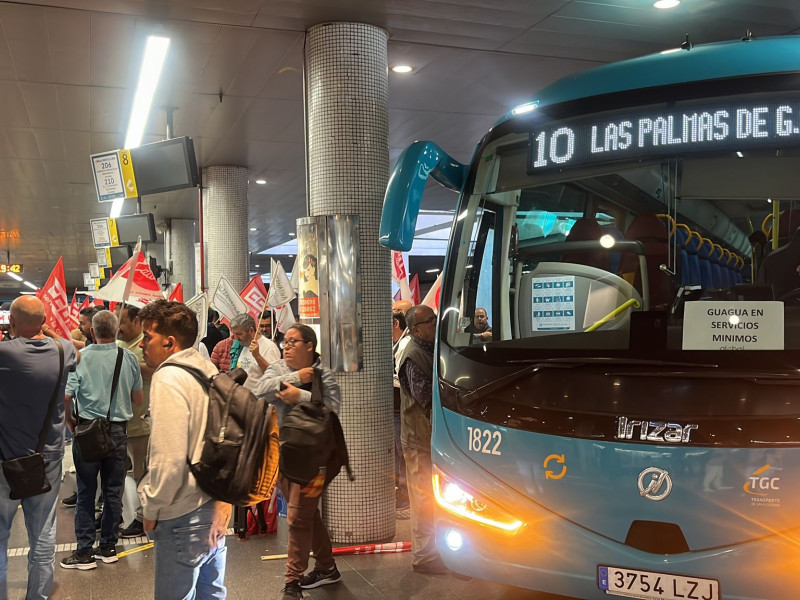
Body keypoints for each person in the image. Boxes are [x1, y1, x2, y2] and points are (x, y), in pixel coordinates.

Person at [137, 300, 231, 600]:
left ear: (169, 341)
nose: (142, 344)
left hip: (183, 512)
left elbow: (170, 460)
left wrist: (151, 508)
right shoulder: (206, 369)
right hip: (214, 504)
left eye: (148, 337)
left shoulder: (169, 377)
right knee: (211, 593)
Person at [250, 324, 341, 600]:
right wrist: (296, 377)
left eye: (293, 342)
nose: (286, 346)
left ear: (309, 346)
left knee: (298, 518)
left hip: (317, 461)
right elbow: (259, 390)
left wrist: (300, 394)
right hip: (286, 455)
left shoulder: (324, 374)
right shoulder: (279, 368)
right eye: (284, 341)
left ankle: (293, 582)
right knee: (306, 514)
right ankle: (327, 567)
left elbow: (334, 409)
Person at [0, 297, 77, 600]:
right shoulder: (64, 351)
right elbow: (68, 346)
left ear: (12, 322)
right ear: (44, 321)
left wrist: (13, 333)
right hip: (49, 457)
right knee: (43, 535)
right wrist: (47, 329)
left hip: (6, 459)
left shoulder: (4, 353)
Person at [60, 310, 143, 570]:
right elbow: (137, 399)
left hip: (86, 432)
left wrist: (70, 422)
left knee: (86, 492)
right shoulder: (127, 357)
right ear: (116, 330)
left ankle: (84, 552)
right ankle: (108, 547)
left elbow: (66, 396)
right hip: (118, 432)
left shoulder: (80, 357)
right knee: (112, 491)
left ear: (93, 332)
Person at [396, 305, 448, 574]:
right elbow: (426, 398)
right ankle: (424, 557)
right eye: (431, 320)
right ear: (416, 329)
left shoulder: (432, 348)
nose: (436, 323)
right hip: (418, 440)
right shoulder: (413, 356)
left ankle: (440, 552)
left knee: (437, 499)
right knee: (424, 499)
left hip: (431, 439)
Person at [115, 305, 154, 538]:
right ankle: (113, 514)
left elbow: (152, 370)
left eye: (123, 322)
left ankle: (142, 517)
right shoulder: (119, 345)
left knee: (142, 474)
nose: (119, 327)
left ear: (137, 322)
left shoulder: (145, 344)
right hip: (119, 423)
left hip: (140, 422)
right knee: (116, 474)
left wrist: (122, 362)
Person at [391, 309, 410, 516]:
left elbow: (404, 379)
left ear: (396, 323)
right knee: (397, 454)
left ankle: (405, 493)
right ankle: (401, 490)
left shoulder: (404, 345)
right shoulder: (396, 344)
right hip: (394, 408)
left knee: (403, 453)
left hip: (400, 407)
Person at [229, 313, 281, 388]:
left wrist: (257, 356)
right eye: (234, 334)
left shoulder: (270, 347)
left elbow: (274, 376)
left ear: (251, 330)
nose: (236, 338)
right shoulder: (240, 346)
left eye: (239, 334)